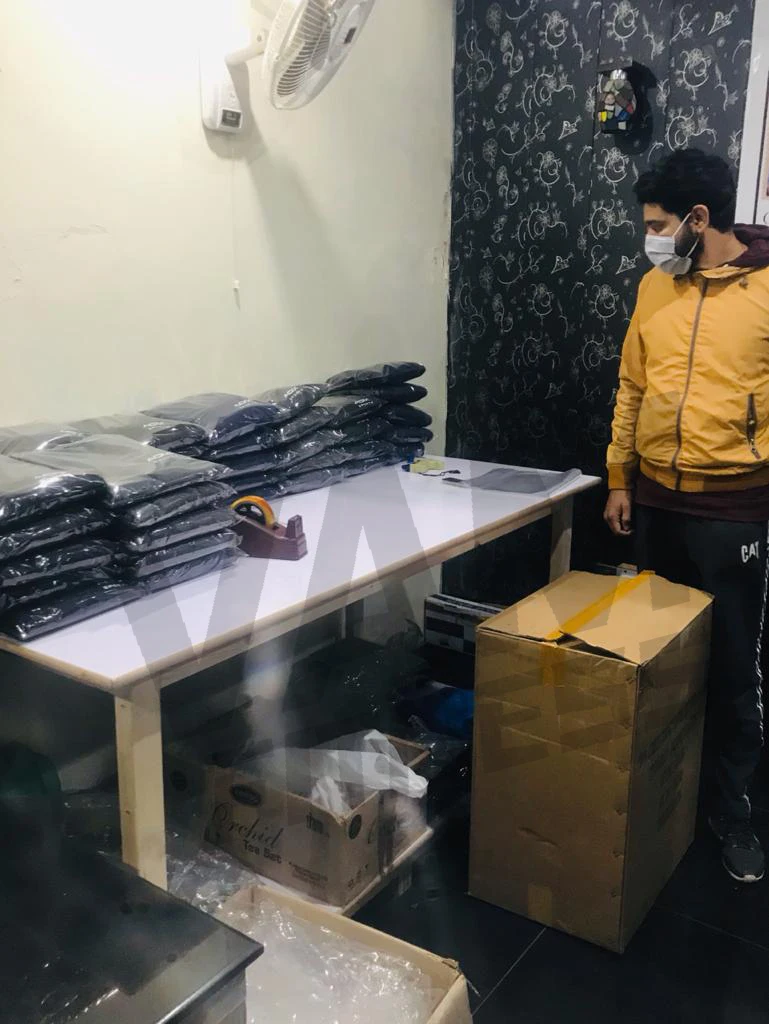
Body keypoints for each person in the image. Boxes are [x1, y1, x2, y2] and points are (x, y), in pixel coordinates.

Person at [605, 148, 769, 883]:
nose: (648, 238)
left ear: (697, 219)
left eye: (656, 225)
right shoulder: (654, 287)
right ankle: (653, 791)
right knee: (655, 657)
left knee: (732, 665)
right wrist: (619, 478)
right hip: (655, 501)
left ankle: (730, 809)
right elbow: (631, 387)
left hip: (733, 507)